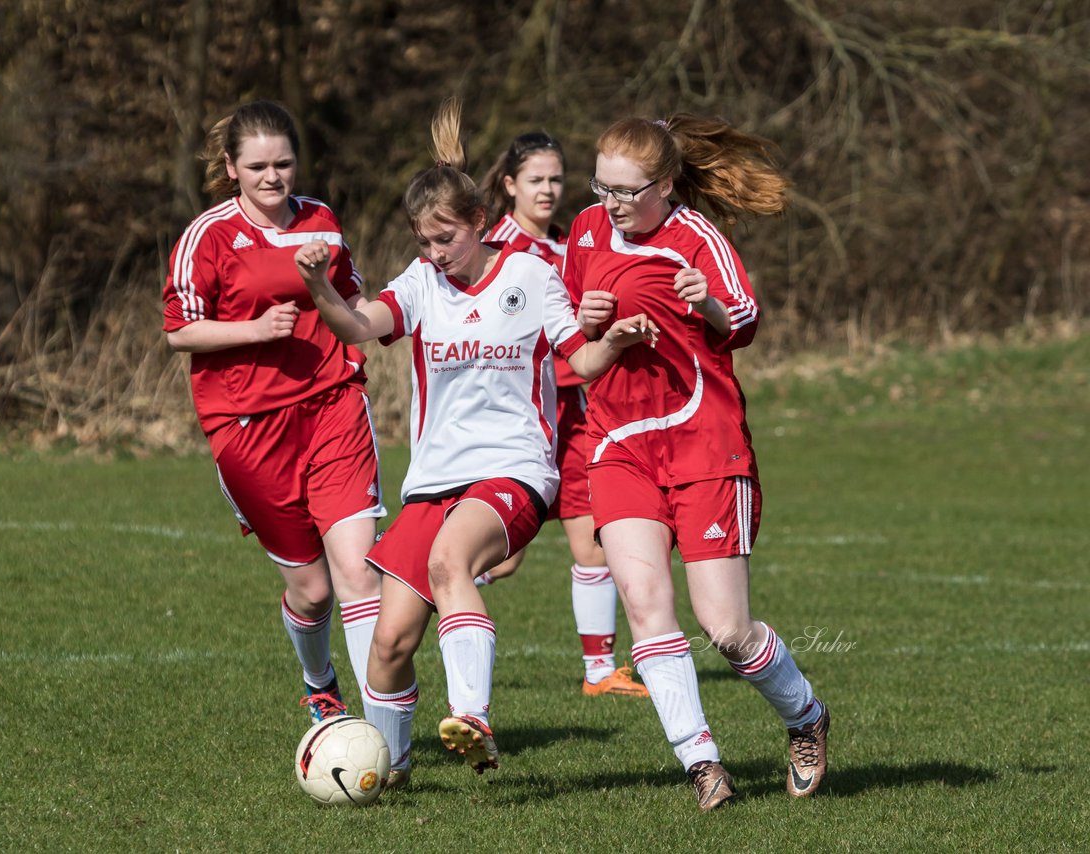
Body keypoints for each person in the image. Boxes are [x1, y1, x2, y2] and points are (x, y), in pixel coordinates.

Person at [293, 97, 656, 788]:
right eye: (424, 241)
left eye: (445, 240)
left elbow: (578, 361)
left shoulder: (528, 275)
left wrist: (615, 339)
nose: (434, 253)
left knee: (452, 558)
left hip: (513, 472)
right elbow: (356, 325)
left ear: (480, 225)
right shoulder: (422, 283)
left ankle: (473, 716)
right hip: (435, 478)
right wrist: (317, 284)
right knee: (389, 644)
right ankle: (390, 772)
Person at [562, 114, 830, 811]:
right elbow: (572, 347)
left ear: (667, 184)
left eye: (628, 190)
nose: (612, 202)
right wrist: (594, 323)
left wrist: (703, 301)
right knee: (648, 609)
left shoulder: (698, 238)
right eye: (603, 186)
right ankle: (702, 763)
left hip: (705, 446)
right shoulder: (586, 231)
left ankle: (805, 717)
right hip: (620, 447)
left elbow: (744, 320)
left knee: (728, 630)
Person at [161, 100, 385, 725]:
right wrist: (254, 329)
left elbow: (352, 296)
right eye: (257, 166)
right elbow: (179, 332)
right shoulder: (207, 237)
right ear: (230, 167)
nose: (272, 177)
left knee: (357, 572)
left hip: (333, 404)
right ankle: (320, 683)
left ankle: (382, 734)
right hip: (249, 426)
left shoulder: (322, 220)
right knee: (312, 591)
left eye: (283, 163)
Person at [476, 132, 648, 698]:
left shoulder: (570, 242)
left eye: (555, 179)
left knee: (590, 539)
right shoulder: (491, 248)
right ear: (509, 185)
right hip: (518, 416)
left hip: (575, 412)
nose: (548, 190)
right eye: (535, 180)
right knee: (498, 559)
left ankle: (600, 671)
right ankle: (403, 594)